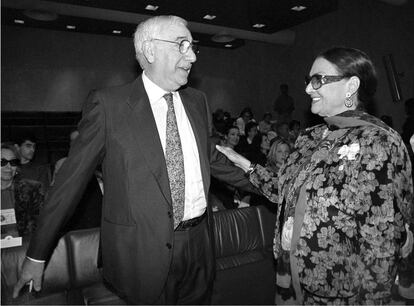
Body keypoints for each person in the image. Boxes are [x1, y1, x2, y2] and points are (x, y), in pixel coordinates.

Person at [12, 15, 254, 305]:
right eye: (182, 45)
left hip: (201, 245)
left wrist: (274, 185)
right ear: (150, 51)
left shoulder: (197, 101)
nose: (191, 56)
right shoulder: (109, 105)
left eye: (192, 47)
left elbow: (211, 159)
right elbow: (68, 184)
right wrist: (36, 254)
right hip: (142, 254)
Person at [217, 47, 414, 304]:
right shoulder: (310, 138)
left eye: (318, 80)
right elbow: (285, 191)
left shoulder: (378, 141)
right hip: (297, 281)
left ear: (351, 86)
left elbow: (385, 236)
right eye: (308, 81)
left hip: (347, 293)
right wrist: (246, 165)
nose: (308, 89)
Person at [1, 143, 43, 237]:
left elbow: (40, 226)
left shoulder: (31, 189)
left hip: (23, 247)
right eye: (2, 162)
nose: (8, 167)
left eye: (12, 162)